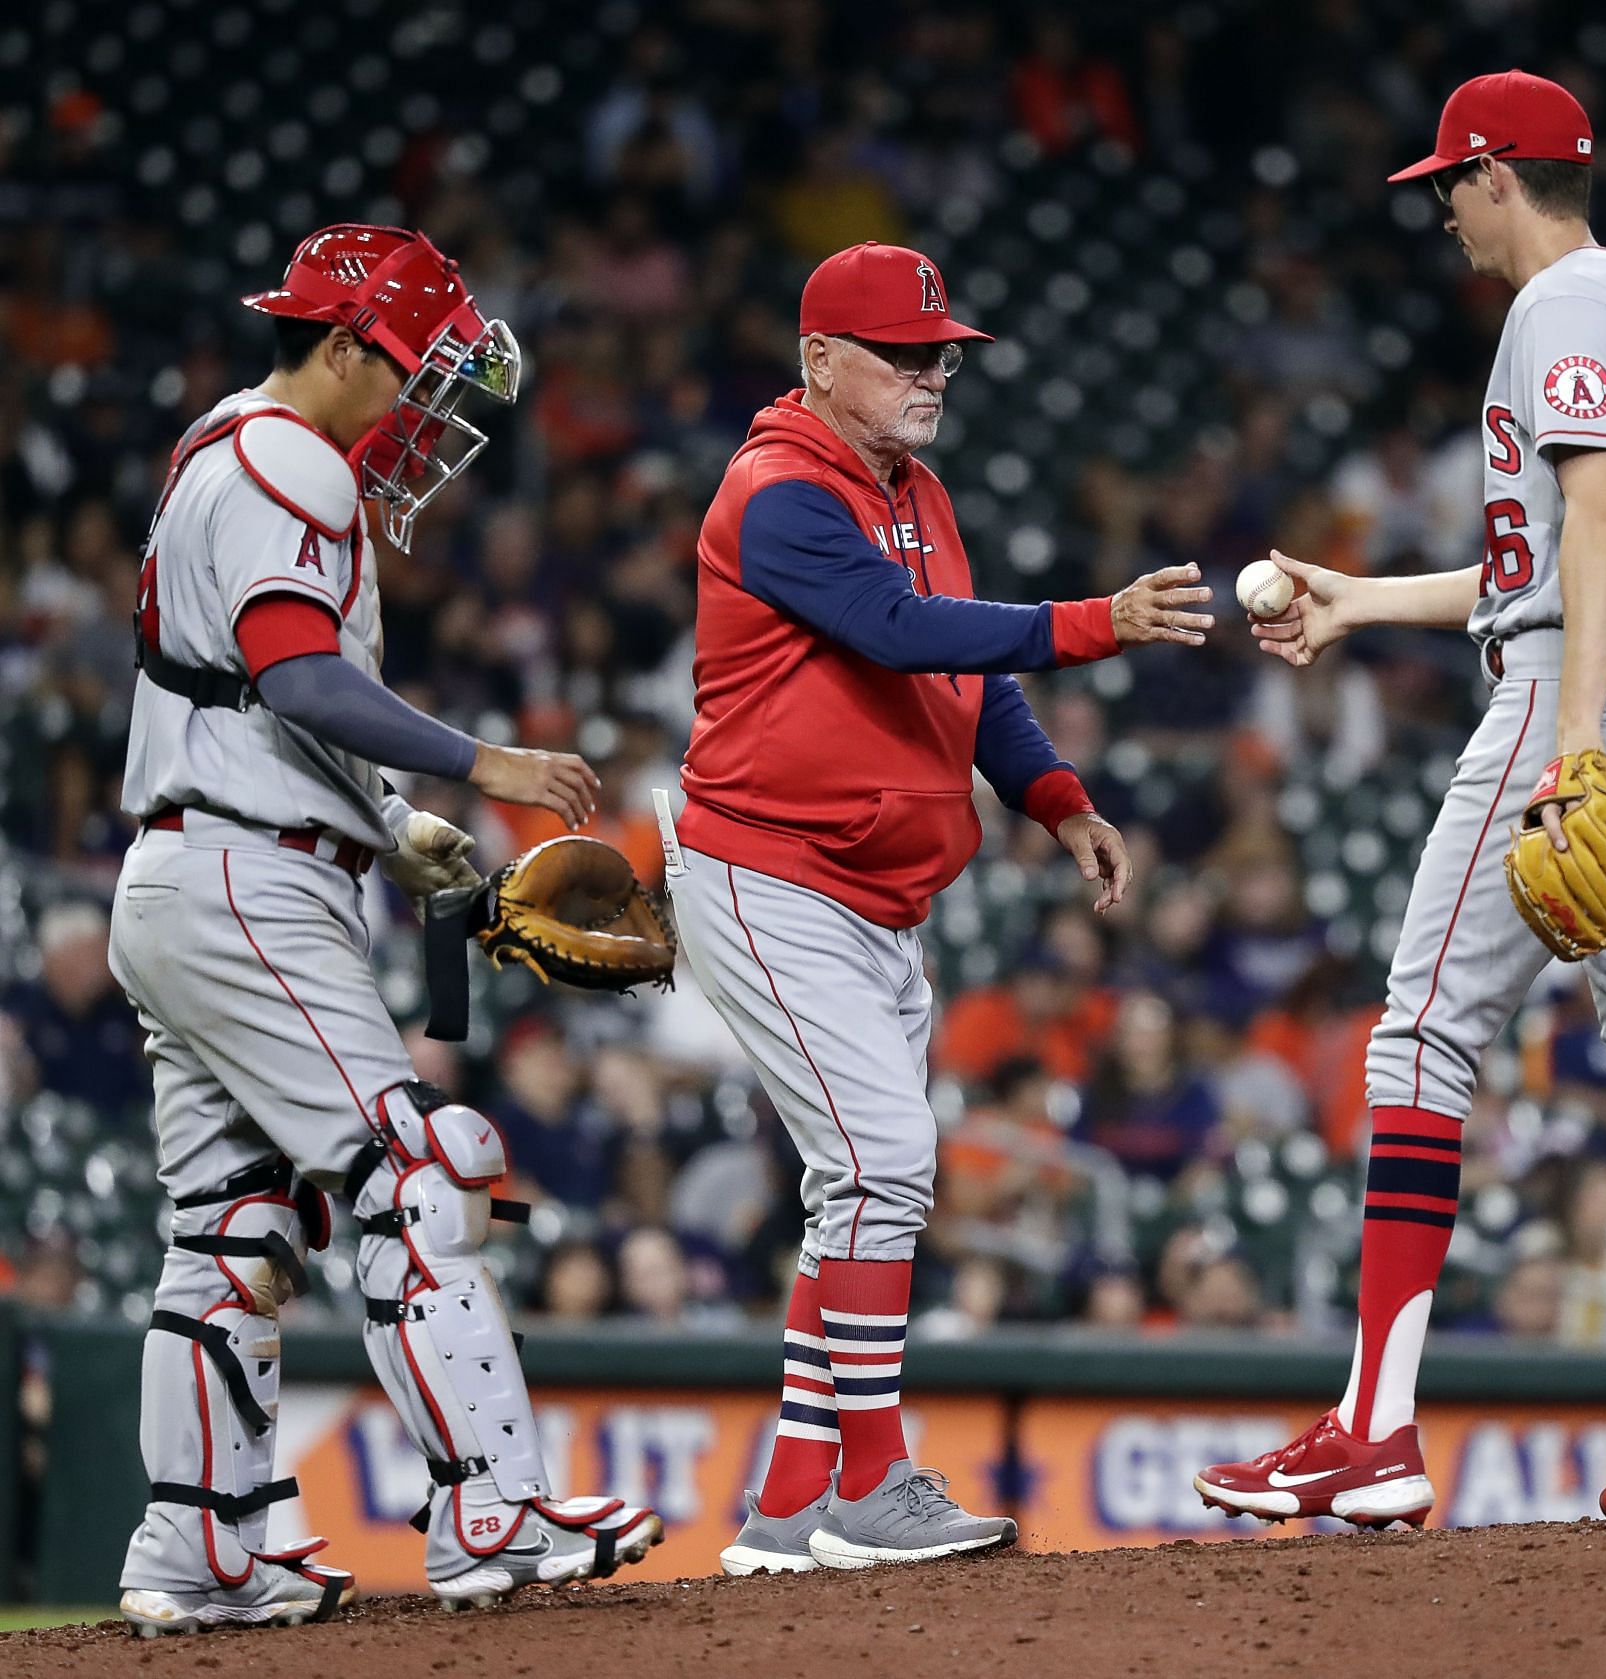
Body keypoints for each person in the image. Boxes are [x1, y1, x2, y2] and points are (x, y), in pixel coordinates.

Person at [1195, 73, 1606, 1531]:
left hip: (1583, 702)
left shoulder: (1564, 306)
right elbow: (1554, 555)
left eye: (1446, 186)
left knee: (1418, 1034)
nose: (1441, 212)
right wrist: (1359, 603)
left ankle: (1376, 1427)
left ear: (1497, 175)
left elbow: (1596, 509)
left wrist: (1575, 735)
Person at [109, 225, 660, 1637]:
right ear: (347, 344)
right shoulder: (293, 457)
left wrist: (384, 827)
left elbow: (229, 688)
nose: (427, 411)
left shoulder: (220, 442)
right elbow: (295, 673)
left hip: (182, 878)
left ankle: (203, 1546)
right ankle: (492, 1505)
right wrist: (488, 765)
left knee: (231, 1231)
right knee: (423, 1170)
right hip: (246, 887)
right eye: (416, 371)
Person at [663, 240, 1212, 1573]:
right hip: (769, 874)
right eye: (901, 353)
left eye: (939, 353)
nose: (930, 374)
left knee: (861, 1189)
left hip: (878, 897)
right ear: (819, 360)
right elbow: (903, 632)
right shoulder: (780, 490)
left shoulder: (915, 487)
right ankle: (869, 1480)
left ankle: (791, 1507)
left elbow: (967, 674)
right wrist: (1095, 621)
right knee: (884, 1168)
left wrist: (1056, 798)